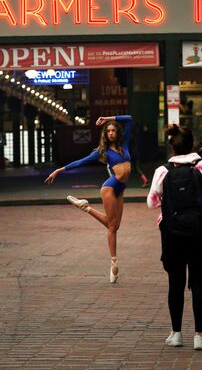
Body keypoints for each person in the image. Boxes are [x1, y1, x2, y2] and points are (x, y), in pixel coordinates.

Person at [146, 124, 202, 350]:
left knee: (175, 282)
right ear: (193, 145)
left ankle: (175, 334)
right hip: (200, 232)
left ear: (172, 146)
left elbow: (152, 202)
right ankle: (200, 336)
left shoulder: (163, 170)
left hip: (172, 234)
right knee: (199, 281)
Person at [44, 115, 133, 283]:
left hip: (121, 189)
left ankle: (85, 207)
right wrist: (58, 170)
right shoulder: (103, 151)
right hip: (110, 188)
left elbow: (129, 119)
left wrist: (107, 118)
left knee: (114, 225)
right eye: (108, 131)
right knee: (112, 227)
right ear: (105, 135)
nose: (111, 133)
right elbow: (80, 162)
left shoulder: (124, 144)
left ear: (118, 133)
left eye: (113, 130)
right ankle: (114, 263)